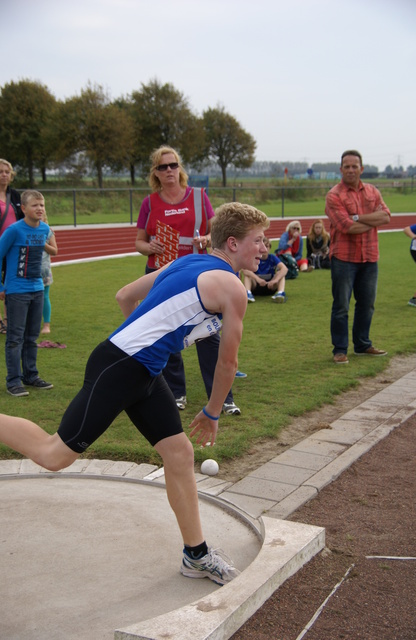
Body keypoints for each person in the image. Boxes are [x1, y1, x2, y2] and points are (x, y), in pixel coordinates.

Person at [0, 201, 270, 585]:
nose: (264, 248)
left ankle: (196, 555)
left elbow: (125, 295)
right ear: (232, 243)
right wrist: (211, 413)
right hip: (123, 367)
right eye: (258, 241)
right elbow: (227, 364)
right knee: (53, 454)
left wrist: (141, 336)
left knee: (179, 453)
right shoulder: (231, 287)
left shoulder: (185, 262)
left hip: (140, 367)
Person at [135, 145, 241, 415]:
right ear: (155, 173)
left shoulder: (198, 195)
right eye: (162, 167)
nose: (169, 170)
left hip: (197, 275)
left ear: (180, 168)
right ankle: (176, 393)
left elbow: (217, 231)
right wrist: (150, 247)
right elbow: (139, 242)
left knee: (209, 335)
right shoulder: (149, 203)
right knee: (167, 334)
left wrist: (206, 239)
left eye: (173, 165)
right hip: (163, 274)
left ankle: (223, 398)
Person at [325, 150, 391, 364]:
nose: (351, 170)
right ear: (341, 169)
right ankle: (340, 350)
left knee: (367, 304)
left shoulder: (373, 191)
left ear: (361, 169)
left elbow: (386, 217)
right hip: (343, 258)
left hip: (369, 257)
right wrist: (372, 220)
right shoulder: (334, 195)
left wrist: (357, 217)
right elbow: (347, 227)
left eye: (355, 166)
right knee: (341, 305)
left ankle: (363, 344)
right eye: (347, 166)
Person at [0, 190, 53, 395]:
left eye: (42, 205)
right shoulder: (14, 230)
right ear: (23, 209)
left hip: (37, 289)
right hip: (16, 291)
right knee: (15, 338)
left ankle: (30, 375)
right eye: (35, 205)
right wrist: (1, 286)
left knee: (31, 337)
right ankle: (13, 381)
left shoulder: (45, 229)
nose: (39, 208)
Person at [0, 159, 24, 334]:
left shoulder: (15, 196)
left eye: (7, 172)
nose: (4, 175)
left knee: (11, 282)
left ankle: (8, 320)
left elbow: (24, 218)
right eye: (1, 172)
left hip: (13, 247)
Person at [242, 236, 288, 302]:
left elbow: (284, 269)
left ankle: (280, 293)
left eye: (267, 246)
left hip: (270, 286)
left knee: (280, 273)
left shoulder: (272, 257)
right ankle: (248, 293)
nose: (264, 248)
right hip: (256, 286)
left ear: (269, 248)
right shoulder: (254, 257)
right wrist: (258, 279)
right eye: (262, 246)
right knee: (248, 276)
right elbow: (244, 270)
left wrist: (274, 281)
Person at [40, 211, 58, 333]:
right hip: (28, 271)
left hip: (43, 270)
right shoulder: (24, 230)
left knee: (44, 297)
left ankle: (46, 325)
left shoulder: (47, 231)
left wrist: (43, 245)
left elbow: (55, 251)